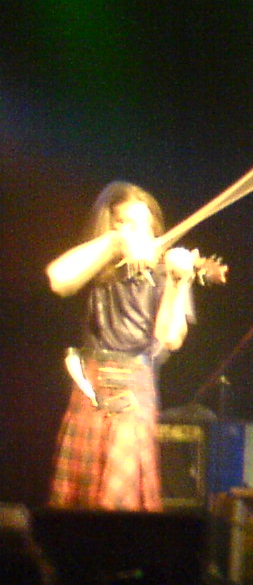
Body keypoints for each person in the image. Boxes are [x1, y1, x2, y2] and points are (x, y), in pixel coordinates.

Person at [45, 181, 201, 511]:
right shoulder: (100, 264)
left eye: (143, 226)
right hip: (92, 386)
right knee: (80, 498)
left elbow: (170, 337)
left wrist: (179, 281)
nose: (135, 234)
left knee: (120, 497)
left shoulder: (165, 271)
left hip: (133, 389)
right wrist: (115, 242)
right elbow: (58, 280)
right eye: (124, 223)